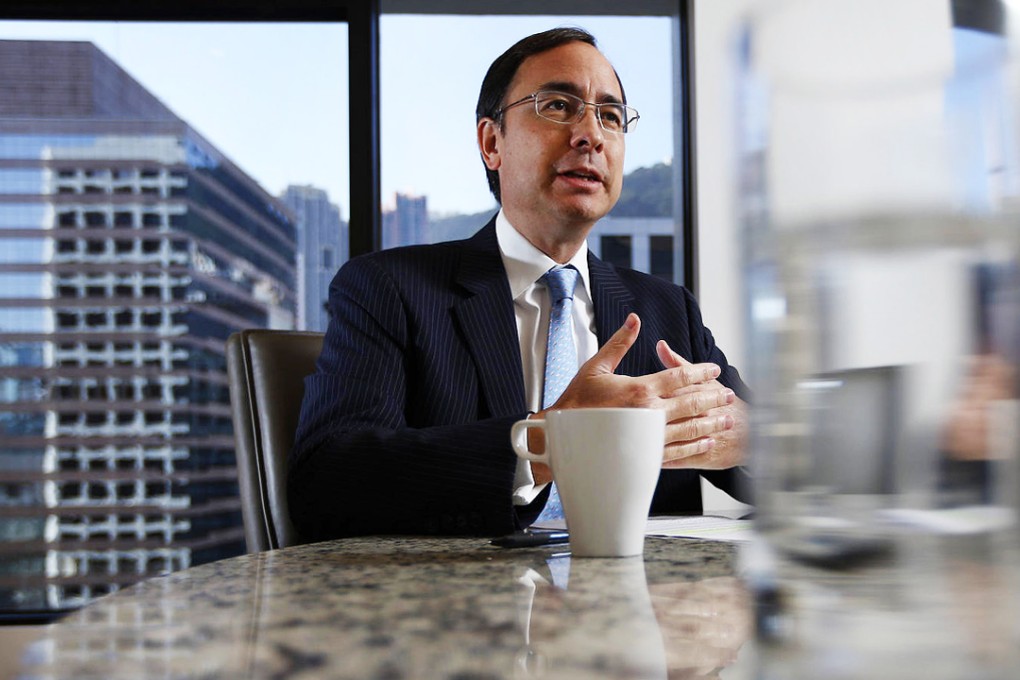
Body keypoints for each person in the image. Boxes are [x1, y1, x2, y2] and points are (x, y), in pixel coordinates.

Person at [288, 27, 749, 542]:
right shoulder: (389, 288)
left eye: (611, 116)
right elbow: (327, 483)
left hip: (641, 608)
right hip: (459, 610)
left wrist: (746, 440)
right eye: (557, 105)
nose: (591, 135)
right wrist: (549, 442)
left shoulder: (667, 309)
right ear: (492, 142)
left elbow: (795, 468)